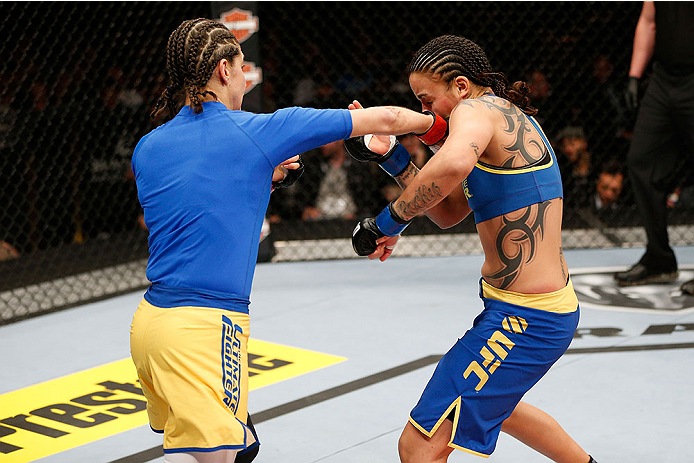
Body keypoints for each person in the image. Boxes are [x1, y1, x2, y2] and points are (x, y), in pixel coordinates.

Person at [128, 18, 437, 463]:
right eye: (242, 67)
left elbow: (196, 206)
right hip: (204, 325)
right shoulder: (257, 131)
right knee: (223, 457)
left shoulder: (148, 146)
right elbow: (386, 119)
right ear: (223, 70)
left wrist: (261, 177)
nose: (245, 79)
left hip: (151, 325)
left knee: (243, 445)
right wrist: (444, 123)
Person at [346, 35, 596, 463]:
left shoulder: (477, 111)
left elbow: (454, 163)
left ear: (460, 86)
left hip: (527, 318)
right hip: (532, 307)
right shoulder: (498, 117)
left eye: (427, 100)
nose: (426, 112)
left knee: (418, 445)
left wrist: (386, 223)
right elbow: (449, 211)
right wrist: (390, 156)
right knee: (500, 407)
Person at [615, 1, 694, 291]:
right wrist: (635, 75)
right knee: (641, 161)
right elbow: (649, 20)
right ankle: (659, 258)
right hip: (664, 80)